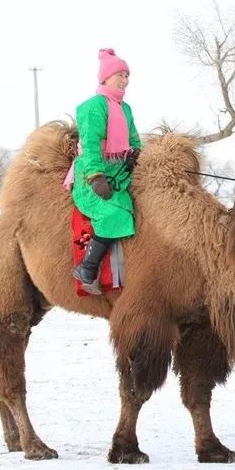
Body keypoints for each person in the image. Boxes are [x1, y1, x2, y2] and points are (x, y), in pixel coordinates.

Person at [65, 48, 141, 294]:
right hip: (92, 174)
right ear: (106, 77)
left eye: (127, 75)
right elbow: (89, 144)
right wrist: (95, 176)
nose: (125, 80)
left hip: (119, 172)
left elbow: (134, 139)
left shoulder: (126, 108)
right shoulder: (93, 107)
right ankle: (87, 267)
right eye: (120, 75)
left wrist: (134, 154)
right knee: (112, 214)